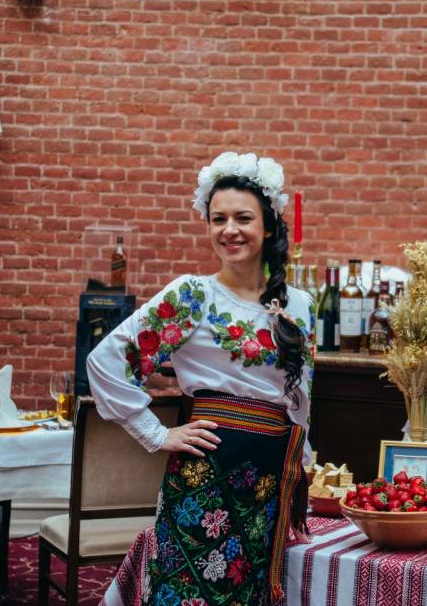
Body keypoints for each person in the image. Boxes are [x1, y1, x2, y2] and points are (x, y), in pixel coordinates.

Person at [87, 151, 316, 605]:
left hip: (269, 480)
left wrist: (301, 469)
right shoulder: (193, 295)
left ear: (269, 226)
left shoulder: (299, 304)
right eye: (218, 219)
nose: (229, 230)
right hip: (206, 475)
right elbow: (106, 361)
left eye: (243, 218)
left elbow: (301, 396)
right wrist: (156, 433)